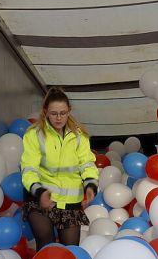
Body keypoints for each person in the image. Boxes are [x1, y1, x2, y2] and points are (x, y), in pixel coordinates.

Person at [20, 87, 99, 248]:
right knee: (46, 245)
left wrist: (90, 185)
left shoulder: (79, 136)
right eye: (54, 113)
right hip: (40, 199)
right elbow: (29, 169)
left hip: (70, 202)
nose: (58, 118)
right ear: (45, 112)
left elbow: (87, 163)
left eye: (63, 113)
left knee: (70, 250)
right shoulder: (34, 135)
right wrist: (40, 192)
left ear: (69, 111)